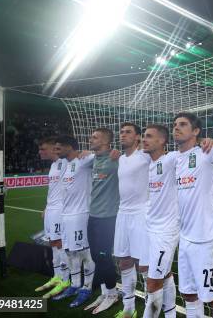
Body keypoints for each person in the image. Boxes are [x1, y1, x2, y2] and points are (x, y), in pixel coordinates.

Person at [173, 112, 213, 318]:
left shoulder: (208, 150)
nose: (176, 128)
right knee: (188, 293)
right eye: (175, 124)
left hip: (207, 237)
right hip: (185, 237)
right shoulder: (174, 159)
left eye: (183, 124)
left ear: (196, 131)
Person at [51, 135, 96, 308]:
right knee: (70, 251)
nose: (56, 151)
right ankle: (75, 284)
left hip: (80, 214)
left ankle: (87, 287)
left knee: (84, 253)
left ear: (69, 147)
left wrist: (91, 152)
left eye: (58, 148)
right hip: (66, 215)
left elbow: (102, 156)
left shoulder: (83, 160)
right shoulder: (66, 165)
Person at [140, 124, 179, 318]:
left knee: (153, 281)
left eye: (148, 136)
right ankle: (170, 314)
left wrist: (208, 141)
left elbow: (192, 150)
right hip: (149, 227)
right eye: (143, 136)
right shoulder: (148, 162)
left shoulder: (171, 158)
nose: (143, 139)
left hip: (166, 231)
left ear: (162, 140)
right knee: (160, 273)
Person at [113, 122, 150, 318]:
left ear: (137, 137)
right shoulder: (120, 159)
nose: (123, 135)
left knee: (143, 265)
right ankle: (128, 308)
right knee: (124, 262)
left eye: (128, 132)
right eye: (121, 132)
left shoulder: (145, 155)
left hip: (141, 213)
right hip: (123, 214)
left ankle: (149, 305)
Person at [84, 128, 121, 314]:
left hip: (108, 216)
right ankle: (106, 292)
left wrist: (119, 154)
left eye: (95, 137)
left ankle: (113, 294)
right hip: (93, 215)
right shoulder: (93, 159)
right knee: (96, 256)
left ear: (106, 142)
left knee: (104, 256)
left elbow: (133, 158)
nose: (91, 139)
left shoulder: (116, 160)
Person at [34, 136, 70, 299]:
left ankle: (65, 280)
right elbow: (53, 190)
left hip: (61, 211)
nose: (40, 152)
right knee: (53, 244)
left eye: (43, 149)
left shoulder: (64, 163)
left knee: (60, 244)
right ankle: (57, 277)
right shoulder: (54, 166)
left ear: (52, 149)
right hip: (51, 210)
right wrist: (46, 208)